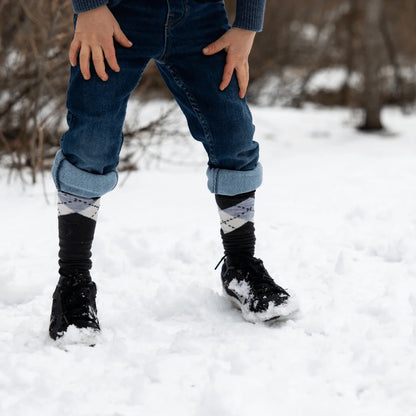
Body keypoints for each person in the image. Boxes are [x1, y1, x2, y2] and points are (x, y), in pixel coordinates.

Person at [49, 0, 298, 340]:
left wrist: (248, 25)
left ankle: (240, 266)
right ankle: (73, 282)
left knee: (233, 134)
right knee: (91, 141)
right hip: (115, 14)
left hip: (200, 17)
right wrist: (90, 7)